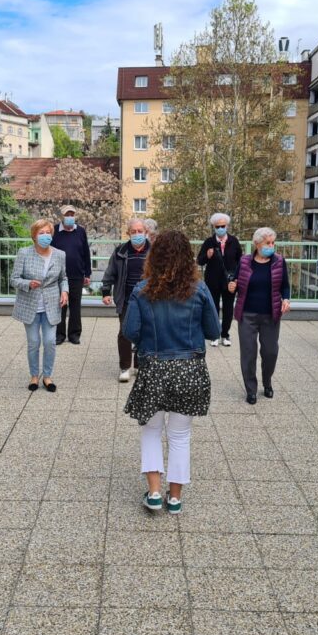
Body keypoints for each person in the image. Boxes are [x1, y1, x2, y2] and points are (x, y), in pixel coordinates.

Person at [123, 230, 220, 515]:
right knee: (180, 435)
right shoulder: (199, 289)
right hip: (189, 369)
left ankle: (154, 493)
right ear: (188, 258)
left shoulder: (142, 289)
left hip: (154, 368)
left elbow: (130, 331)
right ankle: (175, 498)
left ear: (153, 257)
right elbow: (214, 330)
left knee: (151, 431)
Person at [231, 227, 291, 404]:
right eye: (267, 243)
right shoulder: (244, 261)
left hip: (270, 315)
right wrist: (232, 286)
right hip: (247, 314)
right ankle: (251, 390)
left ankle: (267, 381)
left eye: (273, 243)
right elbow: (235, 281)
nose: (271, 246)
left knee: (270, 352)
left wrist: (286, 299)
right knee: (248, 353)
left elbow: (285, 285)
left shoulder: (279, 261)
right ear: (257, 244)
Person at [11, 219, 68, 392]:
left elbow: (63, 278)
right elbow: (14, 279)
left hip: (51, 304)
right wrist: (28, 283)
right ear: (34, 236)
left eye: (48, 233)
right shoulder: (24, 253)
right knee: (34, 342)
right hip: (30, 305)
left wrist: (64, 291)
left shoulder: (59, 254)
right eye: (41, 233)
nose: (45, 236)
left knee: (50, 342)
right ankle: (34, 376)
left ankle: (47, 376)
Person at [102, 218, 150, 382]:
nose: (137, 234)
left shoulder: (155, 251)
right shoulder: (120, 251)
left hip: (148, 299)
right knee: (125, 332)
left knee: (145, 332)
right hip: (126, 298)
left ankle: (139, 365)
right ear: (128, 233)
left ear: (146, 232)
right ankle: (125, 367)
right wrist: (106, 292)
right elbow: (110, 273)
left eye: (140, 231)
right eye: (133, 231)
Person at [196, 213, 241, 347]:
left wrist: (236, 279)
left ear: (227, 226)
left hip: (229, 281)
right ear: (214, 227)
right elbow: (200, 260)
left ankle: (225, 335)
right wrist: (207, 255)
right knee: (213, 308)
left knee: (228, 309)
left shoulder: (234, 241)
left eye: (223, 226)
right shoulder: (209, 242)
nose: (220, 228)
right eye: (217, 226)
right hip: (213, 281)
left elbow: (240, 261)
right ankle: (215, 335)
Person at [51, 204, 92, 346]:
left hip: (77, 274)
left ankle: (74, 334)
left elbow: (86, 252)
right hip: (59, 275)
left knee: (75, 306)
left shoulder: (80, 231)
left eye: (72, 214)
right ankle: (59, 335)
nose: (70, 217)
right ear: (62, 216)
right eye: (67, 215)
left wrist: (87, 273)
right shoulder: (55, 231)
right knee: (60, 305)